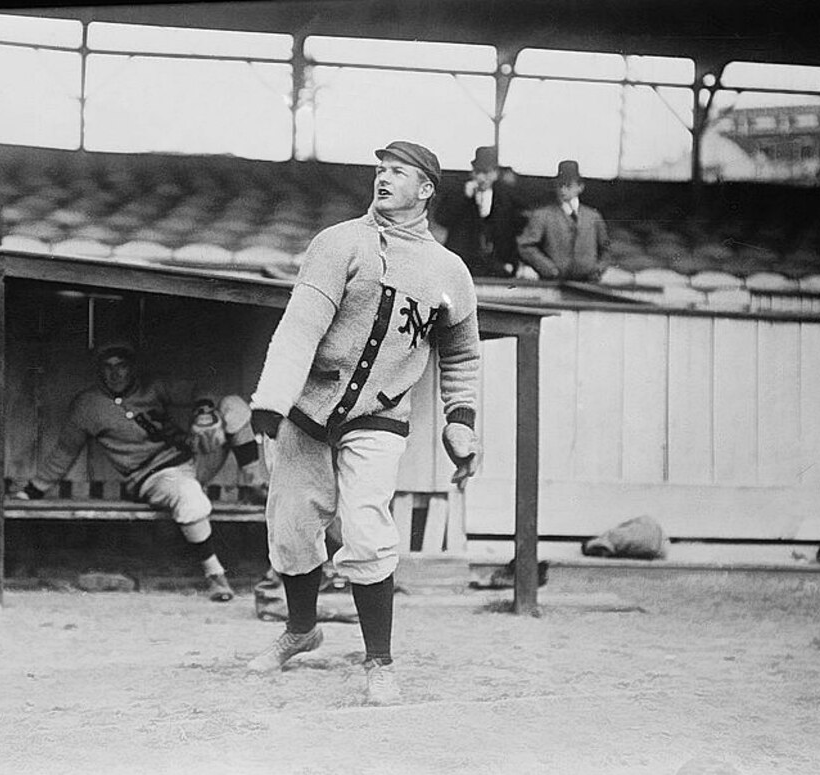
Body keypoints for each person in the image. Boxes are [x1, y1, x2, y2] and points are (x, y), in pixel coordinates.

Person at [245, 140, 482, 705]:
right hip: (310, 406)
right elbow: (301, 325)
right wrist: (271, 399)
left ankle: (379, 662)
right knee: (293, 524)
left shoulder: (449, 270)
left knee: (367, 528)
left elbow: (463, 355)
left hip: (379, 413)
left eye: (398, 173)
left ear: (425, 189)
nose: (383, 179)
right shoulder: (338, 242)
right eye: (380, 170)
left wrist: (461, 418)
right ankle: (301, 631)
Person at [17, 337, 267, 602]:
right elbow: (65, 452)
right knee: (189, 494)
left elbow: (200, 388)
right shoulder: (87, 405)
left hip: (192, 458)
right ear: (99, 369)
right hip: (153, 477)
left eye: (121, 365)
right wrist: (32, 491)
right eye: (107, 366)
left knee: (234, 405)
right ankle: (215, 576)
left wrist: (203, 409)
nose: (114, 373)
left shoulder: (152, 387)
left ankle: (254, 483)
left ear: (132, 367)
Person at [433, 145, 525, 278]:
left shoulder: (506, 197)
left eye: (486, 172)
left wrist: (513, 263)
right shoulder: (458, 192)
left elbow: (516, 231)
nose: (481, 178)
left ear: (495, 174)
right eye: (478, 172)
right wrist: (463, 197)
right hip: (462, 265)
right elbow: (441, 219)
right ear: (472, 172)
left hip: (497, 266)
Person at [516, 159, 610, 281]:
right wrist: (547, 268)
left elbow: (606, 249)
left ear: (580, 187)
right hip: (553, 284)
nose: (563, 190)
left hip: (588, 284)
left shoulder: (593, 216)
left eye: (568, 185)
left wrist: (598, 269)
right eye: (560, 185)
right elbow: (525, 246)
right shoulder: (542, 215)